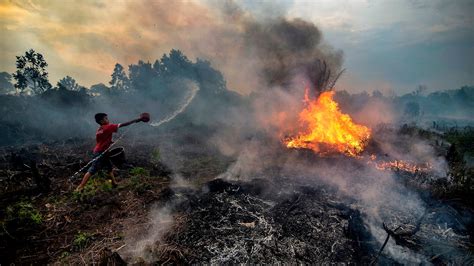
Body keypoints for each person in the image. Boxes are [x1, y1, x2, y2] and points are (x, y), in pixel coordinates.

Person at [75, 113, 147, 191]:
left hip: (101, 151)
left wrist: (109, 142)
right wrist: (138, 120)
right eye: (106, 118)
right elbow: (124, 124)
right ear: (102, 121)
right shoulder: (108, 127)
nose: (108, 120)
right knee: (93, 169)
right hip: (100, 152)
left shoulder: (100, 129)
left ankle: (114, 183)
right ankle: (81, 186)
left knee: (109, 167)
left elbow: (100, 140)